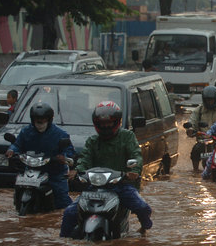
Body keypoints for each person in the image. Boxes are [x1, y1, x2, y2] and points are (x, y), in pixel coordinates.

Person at [60, 101, 152, 237]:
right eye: (102, 124)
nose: (106, 126)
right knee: (69, 213)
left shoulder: (127, 137)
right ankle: (63, 244)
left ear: (117, 122)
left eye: (109, 123)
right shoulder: (92, 141)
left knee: (142, 207)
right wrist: (77, 171)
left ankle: (144, 229)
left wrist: (133, 172)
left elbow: (136, 156)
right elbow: (84, 159)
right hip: (94, 187)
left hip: (121, 185)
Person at [5, 102, 75, 209]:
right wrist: (12, 150)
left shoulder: (60, 134)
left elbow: (69, 150)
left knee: (62, 200)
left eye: (43, 120)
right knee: (17, 187)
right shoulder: (26, 132)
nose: (40, 123)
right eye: (37, 120)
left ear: (49, 119)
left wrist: (63, 157)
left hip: (54, 171)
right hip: (31, 169)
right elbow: (17, 144)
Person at [187, 85, 216, 171]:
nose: (210, 102)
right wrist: (190, 129)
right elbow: (192, 121)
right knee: (195, 151)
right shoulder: (199, 110)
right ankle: (195, 171)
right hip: (203, 141)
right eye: (208, 100)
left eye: (212, 99)